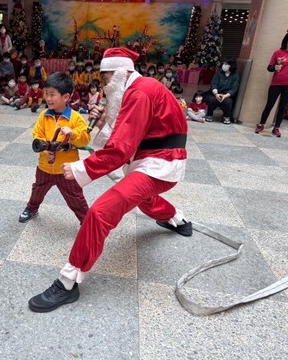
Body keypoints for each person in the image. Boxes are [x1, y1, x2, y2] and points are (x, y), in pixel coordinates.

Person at [28, 47, 190, 313]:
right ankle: (176, 218)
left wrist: (83, 169)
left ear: (119, 73)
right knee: (145, 200)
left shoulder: (140, 91)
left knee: (102, 211)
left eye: (105, 79)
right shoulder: (137, 90)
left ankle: (69, 280)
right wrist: (104, 121)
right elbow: (122, 133)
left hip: (162, 163)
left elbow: (121, 147)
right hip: (151, 160)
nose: (104, 87)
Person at [19, 72, 90, 225]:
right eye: (46, 94)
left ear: (65, 97)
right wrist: (46, 149)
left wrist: (73, 134)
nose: (48, 98)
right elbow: (37, 135)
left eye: (52, 94)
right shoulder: (44, 115)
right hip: (45, 166)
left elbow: (85, 139)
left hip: (67, 169)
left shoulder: (76, 118)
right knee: (38, 189)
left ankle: (87, 221)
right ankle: (32, 208)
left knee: (75, 196)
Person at [255, 27, 288, 137]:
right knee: (269, 105)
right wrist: (275, 68)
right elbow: (269, 67)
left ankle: (276, 127)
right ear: (285, 40)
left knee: (282, 107)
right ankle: (261, 124)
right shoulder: (278, 52)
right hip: (276, 83)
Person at [204, 58, 240, 124]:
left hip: (227, 95)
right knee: (212, 100)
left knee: (228, 102)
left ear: (231, 65)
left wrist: (225, 96)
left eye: (226, 64)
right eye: (224, 64)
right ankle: (209, 115)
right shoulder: (219, 73)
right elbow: (213, 83)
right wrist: (216, 94)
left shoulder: (235, 75)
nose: (224, 65)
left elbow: (234, 88)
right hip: (216, 93)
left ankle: (226, 116)